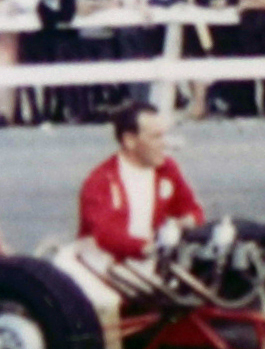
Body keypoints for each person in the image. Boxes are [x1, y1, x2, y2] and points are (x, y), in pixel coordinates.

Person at [77, 102, 206, 263]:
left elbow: (192, 209)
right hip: (106, 266)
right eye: (155, 137)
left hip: (151, 263)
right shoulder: (100, 180)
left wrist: (187, 221)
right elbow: (104, 235)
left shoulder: (166, 170)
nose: (164, 143)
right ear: (129, 140)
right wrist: (147, 246)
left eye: (163, 136)